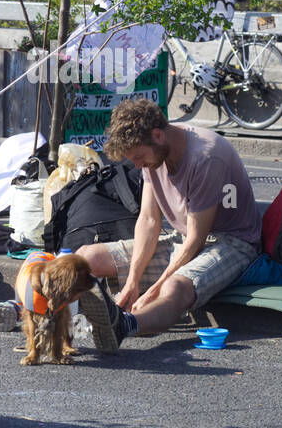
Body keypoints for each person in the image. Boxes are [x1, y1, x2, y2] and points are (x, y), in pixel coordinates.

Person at [75, 98, 262, 351]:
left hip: (231, 243)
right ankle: (51, 313)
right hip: (182, 238)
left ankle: (123, 325)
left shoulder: (206, 157)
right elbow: (149, 220)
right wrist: (132, 281)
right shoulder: (153, 154)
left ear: (158, 135)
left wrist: (155, 288)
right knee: (87, 257)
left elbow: (196, 240)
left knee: (173, 287)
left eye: (139, 157)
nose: (138, 165)